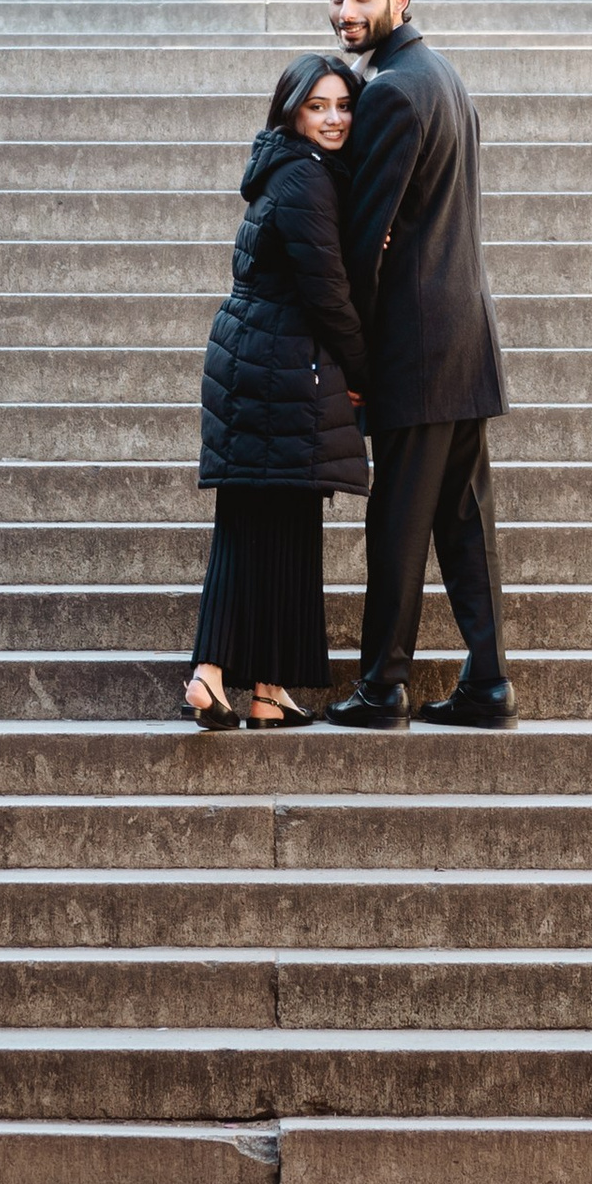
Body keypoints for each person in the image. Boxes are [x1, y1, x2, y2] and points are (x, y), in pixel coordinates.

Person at [316, 0, 515, 732]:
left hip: (418, 346)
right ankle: (488, 681)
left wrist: (352, 355)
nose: (346, 12)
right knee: (465, 519)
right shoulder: (445, 76)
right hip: (464, 338)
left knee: (398, 519)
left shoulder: (395, 90)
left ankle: (382, 685)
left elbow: (368, 240)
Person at [183, 54, 370, 731]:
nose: (334, 118)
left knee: (276, 523)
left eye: (343, 104)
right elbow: (328, 293)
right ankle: (209, 673)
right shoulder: (305, 180)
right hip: (277, 364)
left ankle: (266, 689)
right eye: (318, 106)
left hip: (259, 359)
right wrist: (364, 374)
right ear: (292, 111)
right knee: (257, 523)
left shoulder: (290, 171)